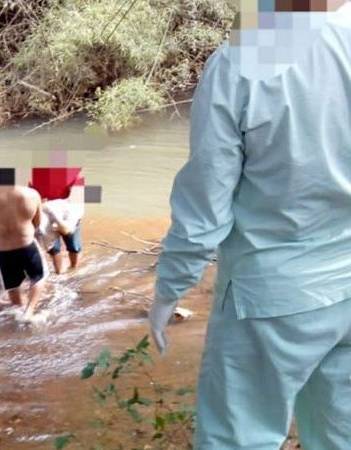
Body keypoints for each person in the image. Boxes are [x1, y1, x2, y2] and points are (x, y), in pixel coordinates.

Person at [149, 1, 351, 449]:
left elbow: (205, 208)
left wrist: (169, 290)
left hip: (270, 298)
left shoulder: (243, 58)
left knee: (238, 439)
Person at [0, 184, 48, 319]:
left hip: (3, 250)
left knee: (12, 285)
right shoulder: (32, 194)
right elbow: (37, 223)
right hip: (27, 244)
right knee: (38, 277)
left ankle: (19, 310)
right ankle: (29, 311)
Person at [35, 197, 83, 274]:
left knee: (74, 247)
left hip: (70, 208)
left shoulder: (75, 211)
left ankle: (74, 270)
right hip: (46, 211)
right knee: (54, 250)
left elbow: (68, 231)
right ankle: (59, 273)